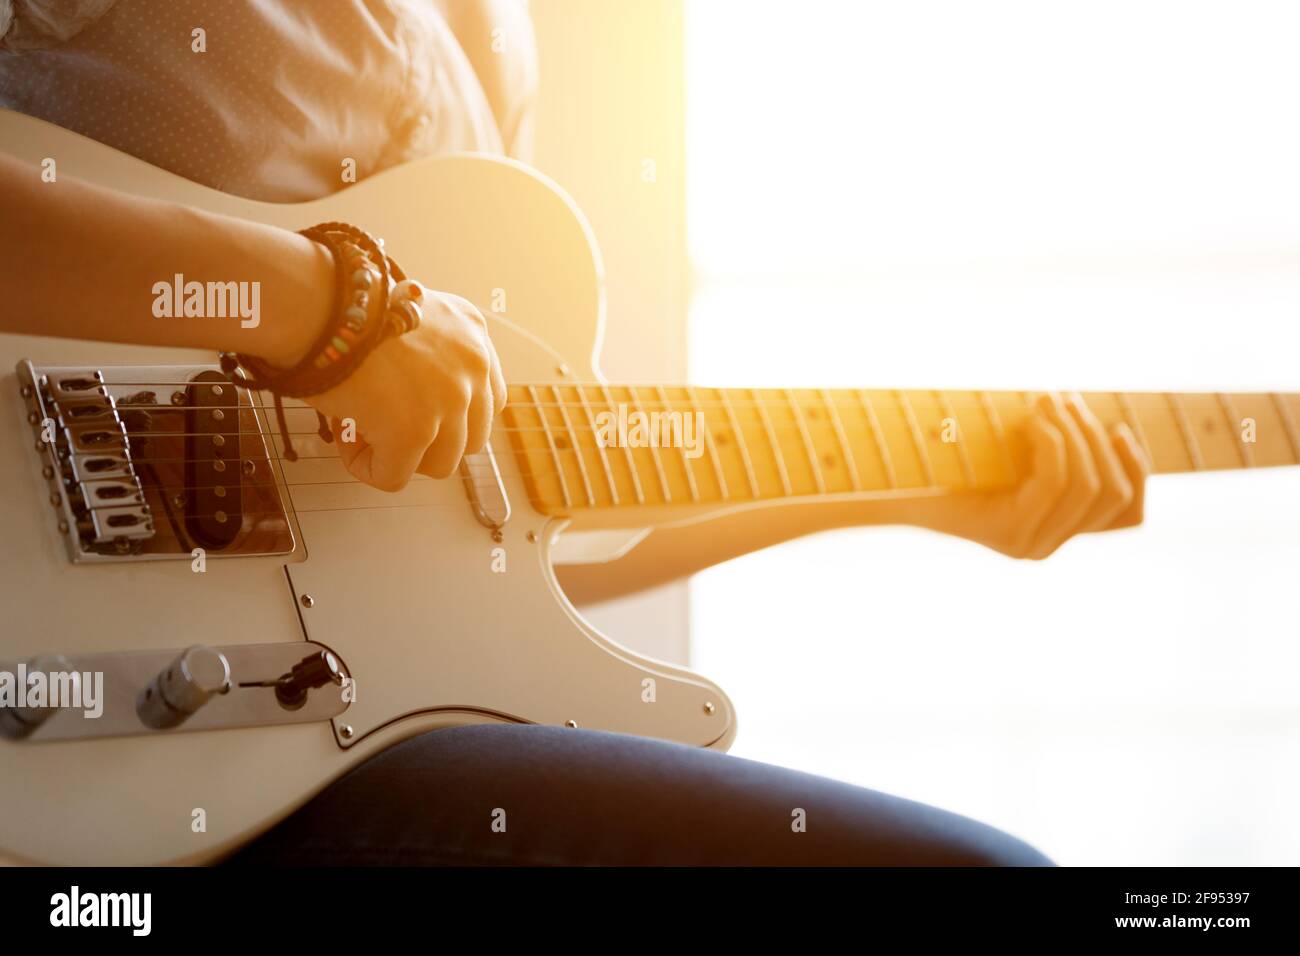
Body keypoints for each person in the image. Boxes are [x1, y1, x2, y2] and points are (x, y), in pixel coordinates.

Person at [0, 0, 1147, 865]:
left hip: (271, 737)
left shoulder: (498, 38)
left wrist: (914, 493)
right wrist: (320, 309)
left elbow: (475, 525)